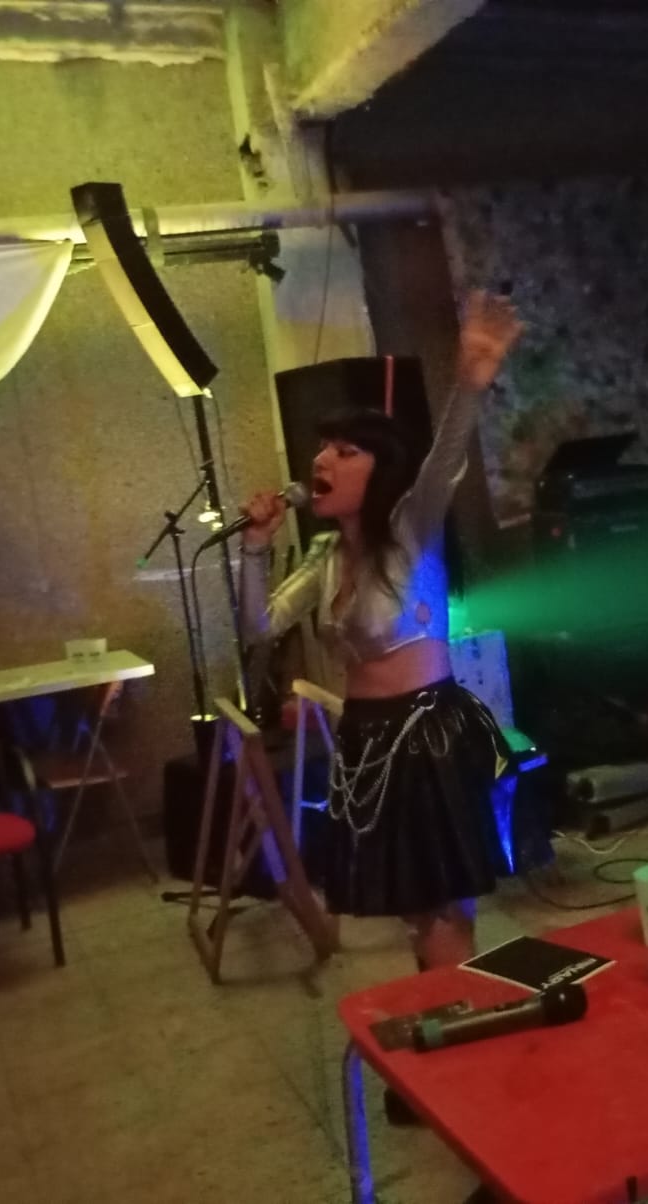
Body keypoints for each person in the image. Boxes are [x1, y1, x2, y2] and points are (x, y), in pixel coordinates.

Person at [238, 290, 524, 973]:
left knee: (442, 903)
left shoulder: (410, 534)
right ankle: (442, 1006)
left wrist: (469, 382)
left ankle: (456, 1009)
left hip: (426, 735)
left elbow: (442, 464)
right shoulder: (324, 556)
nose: (323, 461)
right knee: (412, 910)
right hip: (364, 740)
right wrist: (252, 549)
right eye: (322, 449)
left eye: (345, 451)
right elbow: (258, 624)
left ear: (381, 468)